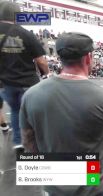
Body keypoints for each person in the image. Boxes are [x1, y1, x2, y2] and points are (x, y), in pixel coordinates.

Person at [19, 32, 103, 196]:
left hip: (54, 186)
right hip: (94, 187)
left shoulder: (30, 95)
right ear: (88, 58)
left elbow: (28, 143)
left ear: (60, 57)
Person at [0, 1, 49, 151]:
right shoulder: (26, 34)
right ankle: (40, 142)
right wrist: (47, 74)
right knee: (36, 113)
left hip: (6, 84)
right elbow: (41, 61)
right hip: (28, 83)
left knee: (15, 111)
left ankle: (19, 142)